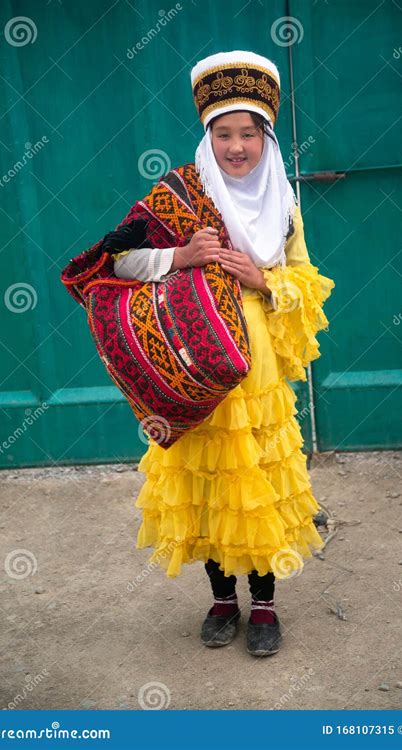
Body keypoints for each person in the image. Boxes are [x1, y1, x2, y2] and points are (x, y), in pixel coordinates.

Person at [108, 50, 335, 656]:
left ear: (265, 137)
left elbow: (304, 280)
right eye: (224, 133)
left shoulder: (283, 205)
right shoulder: (179, 193)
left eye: (249, 133)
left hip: (253, 374)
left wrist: (264, 281)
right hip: (192, 370)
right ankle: (221, 601)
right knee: (207, 486)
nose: (237, 147)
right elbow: (116, 260)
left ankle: (263, 607)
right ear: (207, 135)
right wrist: (178, 257)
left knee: (253, 486)